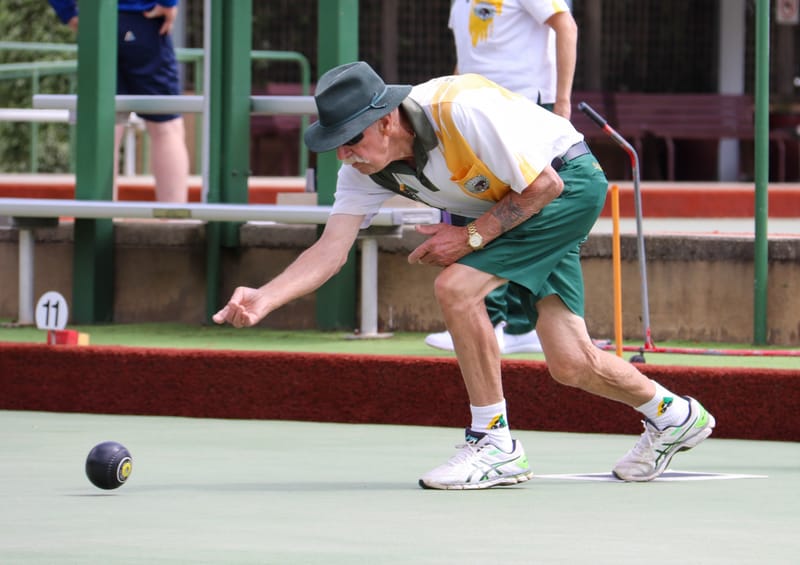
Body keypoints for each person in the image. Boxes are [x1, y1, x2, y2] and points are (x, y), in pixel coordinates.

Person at [213, 61, 715, 490]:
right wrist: (266, 296)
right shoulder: (364, 169)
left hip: (565, 186)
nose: (345, 154)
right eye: (336, 144)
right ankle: (674, 416)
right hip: (513, 202)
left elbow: (545, 184)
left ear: (386, 120)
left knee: (455, 287)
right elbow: (330, 249)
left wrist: (472, 236)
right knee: (571, 363)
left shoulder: (461, 111)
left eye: (351, 140)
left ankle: (493, 442)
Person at [424, 0, 578, 354]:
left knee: (504, 211)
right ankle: (507, 323)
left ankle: (499, 323)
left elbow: (565, 26)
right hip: (471, 112)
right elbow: (468, 56)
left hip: (519, 106)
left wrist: (562, 104)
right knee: (476, 205)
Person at [48, 0, 189, 203]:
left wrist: (68, 12)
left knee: (104, 127)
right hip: (144, 20)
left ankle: (100, 220)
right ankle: (174, 221)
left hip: (95, 20)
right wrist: (168, 3)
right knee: (166, 127)